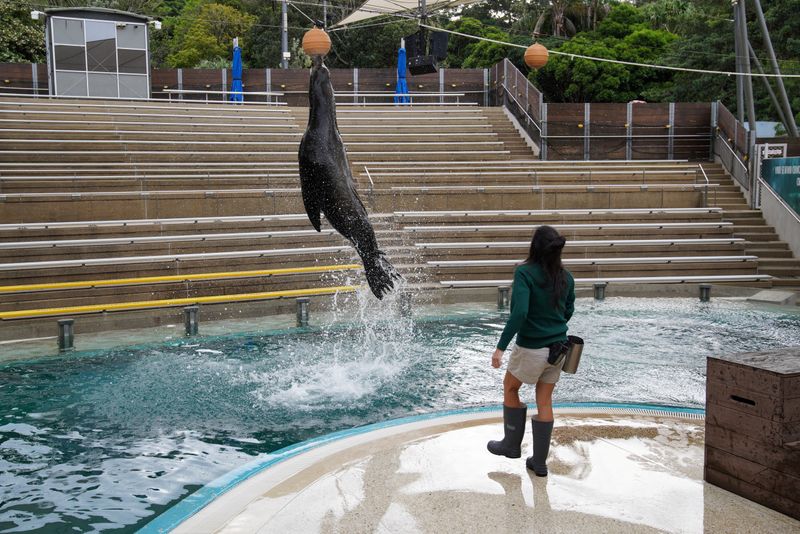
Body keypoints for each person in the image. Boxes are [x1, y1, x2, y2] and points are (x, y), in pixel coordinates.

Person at [487, 225, 575, 477]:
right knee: (544, 400)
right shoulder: (566, 277)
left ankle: (511, 445)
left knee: (511, 387)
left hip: (532, 347)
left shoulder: (525, 273)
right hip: (559, 348)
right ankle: (539, 462)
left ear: (534, 247)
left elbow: (520, 313)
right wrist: (554, 324)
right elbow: (568, 310)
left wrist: (500, 348)